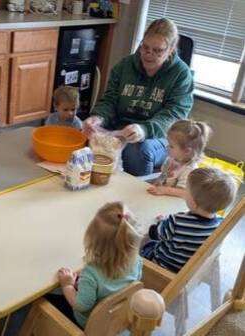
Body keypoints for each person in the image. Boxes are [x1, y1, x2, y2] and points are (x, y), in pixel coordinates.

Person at [84, 18, 194, 176]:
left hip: (160, 137)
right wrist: (98, 117)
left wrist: (144, 129)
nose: (148, 54)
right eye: (145, 47)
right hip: (121, 129)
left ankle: (136, 196)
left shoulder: (181, 75)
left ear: (170, 50)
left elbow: (174, 116)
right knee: (90, 138)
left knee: (137, 149)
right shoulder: (124, 66)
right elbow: (109, 100)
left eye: (157, 50)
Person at [56, 202, 143, 328]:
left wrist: (67, 285)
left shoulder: (91, 273)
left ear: (93, 240)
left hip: (89, 324)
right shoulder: (137, 260)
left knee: (48, 297)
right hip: (116, 318)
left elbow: (81, 305)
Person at [141, 167, 237, 273]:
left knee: (145, 244)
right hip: (188, 271)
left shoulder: (177, 221)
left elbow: (154, 233)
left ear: (194, 203)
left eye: (186, 191)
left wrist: (162, 222)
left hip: (162, 267)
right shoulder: (220, 223)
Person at [147, 120, 212, 198]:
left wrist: (165, 190)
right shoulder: (171, 159)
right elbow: (163, 175)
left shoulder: (190, 170)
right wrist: (157, 182)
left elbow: (184, 193)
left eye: (171, 146)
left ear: (187, 151)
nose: (166, 147)